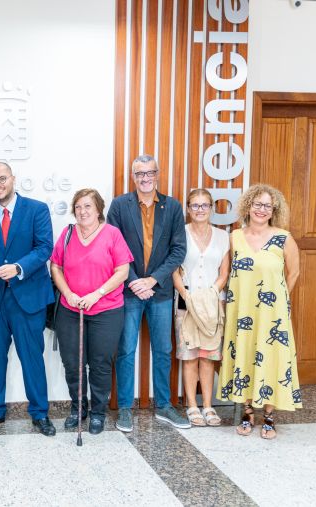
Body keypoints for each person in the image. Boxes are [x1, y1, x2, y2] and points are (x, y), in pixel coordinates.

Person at [0, 162, 56, 436]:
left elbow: (44, 247)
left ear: (13, 179)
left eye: (2, 179)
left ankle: (40, 413)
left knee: (32, 357)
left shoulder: (37, 209)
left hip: (28, 298)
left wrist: (18, 268)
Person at [106, 154, 189, 432]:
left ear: (157, 174)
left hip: (161, 290)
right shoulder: (119, 205)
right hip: (129, 291)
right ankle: (126, 409)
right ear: (133, 177)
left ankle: (164, 405)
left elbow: (178, 249)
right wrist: (133, 281)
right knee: (126, 350)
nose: (144, 178)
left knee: (163, 350)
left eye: (149, 173)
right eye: (139, 174)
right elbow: (113, 247)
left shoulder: (173, 206)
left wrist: (152, 280)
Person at [218, 184, 301, 439]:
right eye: (257, 204)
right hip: (240, 310)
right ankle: (246, 413)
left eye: (267, 205)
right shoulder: (234, 237)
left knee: (271, 355)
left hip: (271, 312)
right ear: (248, 206)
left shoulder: (283, 237)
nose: (261, 210)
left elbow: (294, 272)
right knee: (243, 354)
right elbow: (225, 274)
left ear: (273, 209)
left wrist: (280, 300)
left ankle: (269, 416)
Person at [50, 189, 132, 434]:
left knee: (100, 364)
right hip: (70, 310)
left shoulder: (112, 234)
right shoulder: (67, 233)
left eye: (88, 206)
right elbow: (56, 266)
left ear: (98, 209)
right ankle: (78, 408)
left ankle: (98, 412)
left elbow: (123, 271)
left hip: (106, 311)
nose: (82, 211)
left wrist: (97, 294)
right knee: (73, 363)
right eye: (78, 207)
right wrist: (69, 294)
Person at [172, 189, 230, 427]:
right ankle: (192, 406)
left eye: (204, 205)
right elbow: (174, 269)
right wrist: (187, 294)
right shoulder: (179, 234)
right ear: (188, 208)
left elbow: (224, 272)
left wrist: (212, 293)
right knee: (189, 356)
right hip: (186, 302)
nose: (199, 210)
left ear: (211, 208)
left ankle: (207, 406)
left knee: (208, 356)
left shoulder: (223, 236)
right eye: (194, 205)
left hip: (213, 304)